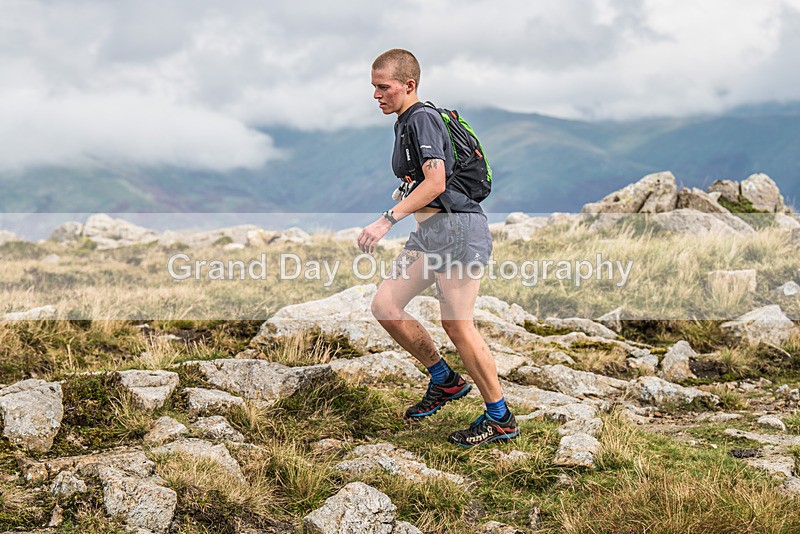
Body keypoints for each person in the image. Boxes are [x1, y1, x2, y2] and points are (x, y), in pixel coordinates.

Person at [358, 48, 519, 447]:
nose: (376, 95)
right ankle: (445, 380)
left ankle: (500, 419)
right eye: (373, 87)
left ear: (408, 85)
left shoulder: (423, 118)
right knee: (385, 306)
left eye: (384, 87)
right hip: (430, 235)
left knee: (458, 324)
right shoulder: (405, 122)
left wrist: (386, 219)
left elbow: (437, 183)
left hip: (458, 231)